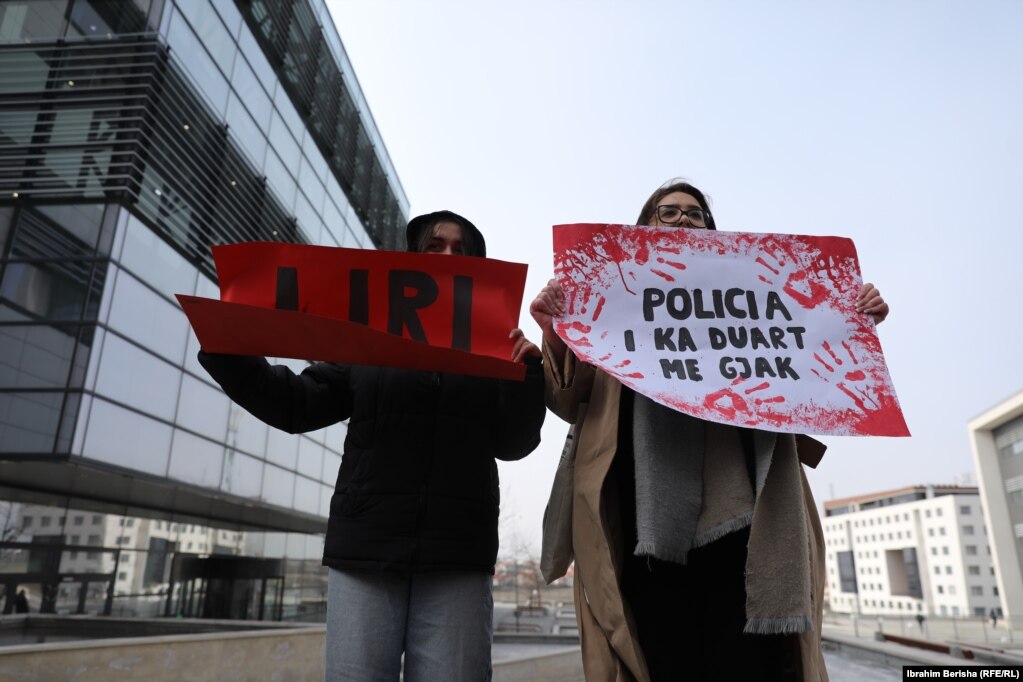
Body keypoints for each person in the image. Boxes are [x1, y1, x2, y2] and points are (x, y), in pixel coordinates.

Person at [530, 180, 890, 682]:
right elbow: (568, 400)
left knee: (747, 664)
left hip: (744, 526)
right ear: (644, 229)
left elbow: (812, 363)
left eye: (695, 215)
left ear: (713, 235)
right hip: (644, 529)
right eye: (668, 212)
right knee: (664, 659)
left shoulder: (755, 294)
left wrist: (851, 318)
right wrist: (556, 328)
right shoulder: (613, 304)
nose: (682, 221)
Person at [199, 210, 546, 682]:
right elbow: (296, 404)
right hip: (366, 553)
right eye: (435, 245)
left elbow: (514, 443)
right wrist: (228, 348)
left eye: (460, 250)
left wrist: (525, 377)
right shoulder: (369, 342)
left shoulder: (494, 354)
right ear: (412, 262)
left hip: (457, 559)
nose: (447, 255)